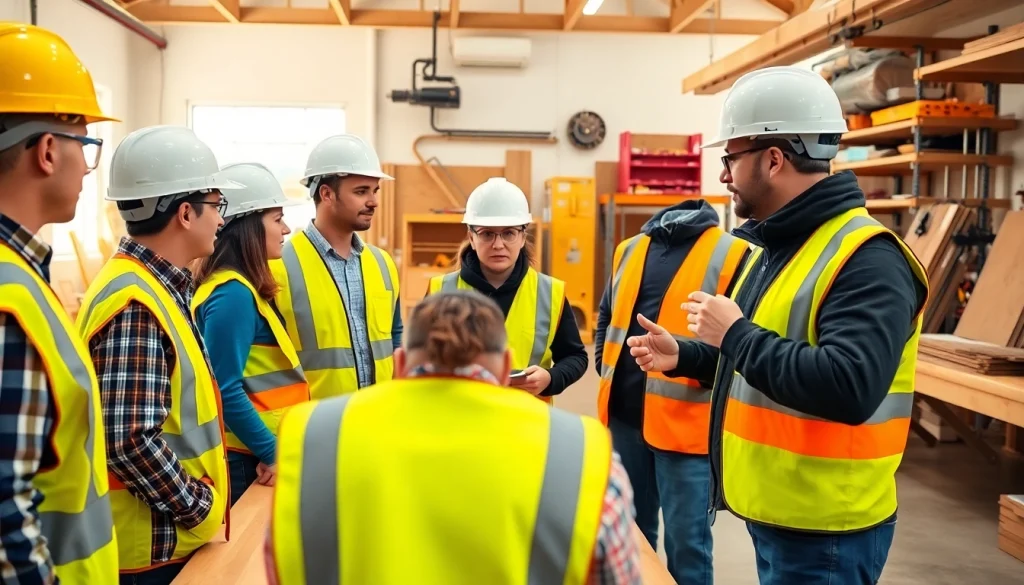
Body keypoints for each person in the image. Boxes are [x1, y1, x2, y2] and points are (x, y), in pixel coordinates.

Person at [626, 66, 929, 585]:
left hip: (827, 527)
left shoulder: (867, 258)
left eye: (731, 159)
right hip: (779, 514)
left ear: (772, 159)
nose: (723, 175)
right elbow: (758, 359)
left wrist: (735, 334)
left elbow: (850, 386)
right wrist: (689, 355)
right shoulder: (775, 249)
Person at [265, 289, 642, 585]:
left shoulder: (311, 434)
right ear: (506, 367)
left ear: (400, 364)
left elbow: (281, 559)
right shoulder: (581, 452)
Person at [76, 125, 237, 585]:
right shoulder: (136, 303)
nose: (221, 220)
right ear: (186, 213)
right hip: (151, 550)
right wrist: (198, 505)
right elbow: (127, 439)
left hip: (162, 541)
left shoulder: (149, 286)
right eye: (216, 206)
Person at [0, 22, 119, 584]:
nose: (86, 165)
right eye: (86, 145)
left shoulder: (24, 276)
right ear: (48, 150)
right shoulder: (10, 299)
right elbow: (5, 511)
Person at [594, 198, 749, 584]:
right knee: (631, 541)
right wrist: (604, 363)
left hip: (687, 431)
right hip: (624, 421)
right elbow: (607, 313)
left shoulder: (732, 253)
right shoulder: (629, 249)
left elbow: (741, 342)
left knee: (688, 548)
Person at [192, 162, 309, 506]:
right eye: (276, 219)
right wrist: (272, 453)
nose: (286, 229)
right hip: (246, 456)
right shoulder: (232, 295)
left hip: (253, 449)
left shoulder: (243, 289)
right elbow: (224, 389)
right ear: (246, 227)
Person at [426, 177, 587, 402]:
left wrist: (550, 378)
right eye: (487, 233)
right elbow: (420, 358)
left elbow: (575, 356)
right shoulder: (441, 291)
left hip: (526, 424)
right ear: (471, 237)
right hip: (461, 420)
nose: (498, 244)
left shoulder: (550, 293)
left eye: (509, 233)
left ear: (522, 237)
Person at [270, 134, 402, 400]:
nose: (374, 201)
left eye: (375, 191)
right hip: (312, 425)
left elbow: (395, 336)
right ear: (327, 194)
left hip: (375, 422)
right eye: (361, 191)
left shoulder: (383, 264)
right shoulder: (279, 265)